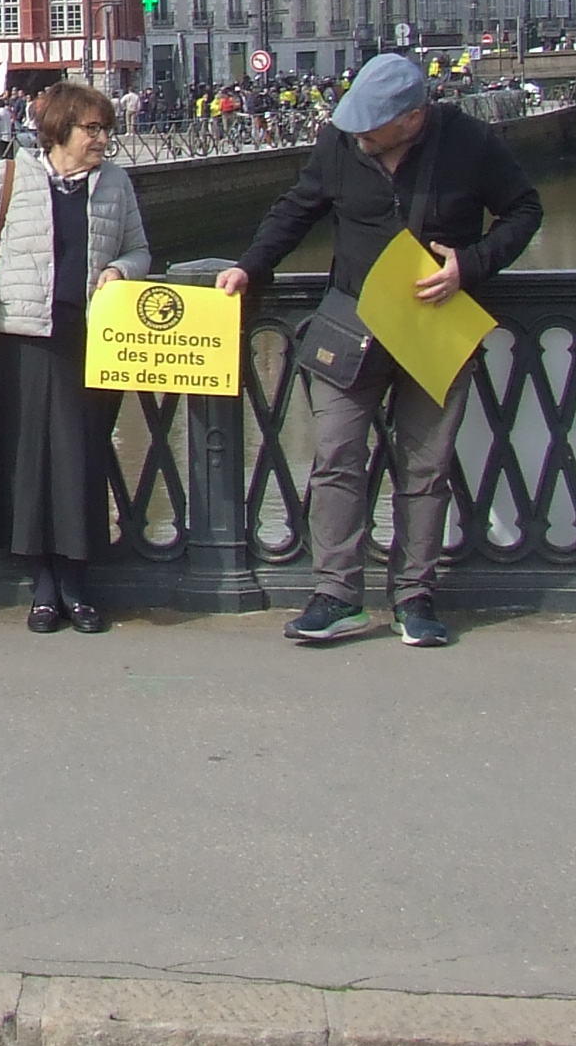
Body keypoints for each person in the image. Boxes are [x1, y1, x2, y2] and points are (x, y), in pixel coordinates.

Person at [215, 53, 543, 648]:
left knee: (426, 465)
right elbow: (297, 208)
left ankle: (414, 596)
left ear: (413, 118)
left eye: (373, 126)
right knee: (336, 453)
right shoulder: (339, 143)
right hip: (350, 322)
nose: (361, 135)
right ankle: (335, 595)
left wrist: (469, 266)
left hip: (434, 326)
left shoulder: (471, 142)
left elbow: (525, 209)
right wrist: (250, 266)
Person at [0, 81, 151, 632]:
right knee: (29, 461)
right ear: (59, 131)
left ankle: (77, 582)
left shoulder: (115, 185)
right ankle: (44, 586)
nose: (103, 138)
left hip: (86, 341)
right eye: (93, 129)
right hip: (20, 341)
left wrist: (121, 270)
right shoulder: (9, 177)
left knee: (79, 460)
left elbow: (138, 248)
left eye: (104, 128)